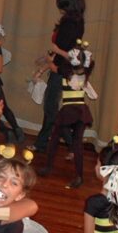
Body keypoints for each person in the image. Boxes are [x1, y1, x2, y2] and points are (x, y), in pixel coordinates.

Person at [32, 0, 86, 152]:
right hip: (58, 64)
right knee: (50, 108)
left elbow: (70, 53)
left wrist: (53, 54)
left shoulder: (72, 23)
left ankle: (72, 143)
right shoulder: (71, 21)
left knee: (51, 108)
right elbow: (61, 47)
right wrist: (47, 56)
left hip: (61, 68)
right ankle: (42, 143)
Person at [38, 42, 95, 189]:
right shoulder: (85, 72)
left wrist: (52, 56)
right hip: (81, 111)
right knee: (77, 144)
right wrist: (81, 52)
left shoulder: (66, 72)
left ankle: (49, 167)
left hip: (69, 110)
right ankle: (79, 176)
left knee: (55, 138)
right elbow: (88, 63)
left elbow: (53, 66)